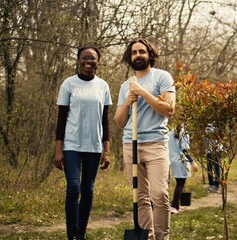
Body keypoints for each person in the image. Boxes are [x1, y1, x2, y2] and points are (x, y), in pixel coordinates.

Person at [114, 38, 175, 240]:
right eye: (133, 52)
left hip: (156, 143)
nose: (138, 55)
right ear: (129, 57)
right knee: (140, 197)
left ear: (150, 54)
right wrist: (127, 102)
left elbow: (168, 110)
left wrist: (142, 92)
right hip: (130, 144)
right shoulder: (126, 86)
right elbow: (119, 121)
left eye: (142, 51)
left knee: (159, 195)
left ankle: (162, 237)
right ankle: (146, 236)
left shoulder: (162, 77)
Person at [54, 45, 112, 240]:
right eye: (84, 57)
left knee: (88, 190)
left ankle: (81, 234)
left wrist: (107, 150)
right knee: (74, 188)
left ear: (98, 61)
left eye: (92, 58)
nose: (88, 61)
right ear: (79, 60)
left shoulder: (103, 86)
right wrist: (58, 149)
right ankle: (72, 234)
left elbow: (105, 120)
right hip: (71, 144)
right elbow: (61, 119)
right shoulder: (68, 84)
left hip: (94, 146)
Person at [168, 123, 199, 214]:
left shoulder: (170, 133)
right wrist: (192, 162)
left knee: (179, 183)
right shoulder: (184, 133)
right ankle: (173, 206)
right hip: (181, 160)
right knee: (181, 184)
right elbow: (184, 150)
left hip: (172, 160)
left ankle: (176, 206)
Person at [205, 123, 222, 193]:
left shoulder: (217, 126)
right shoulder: (206, 127)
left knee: (216, 168)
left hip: (216, 151)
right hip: (209, 151)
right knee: (209, 168)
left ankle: (216, 185)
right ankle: (211, 184)